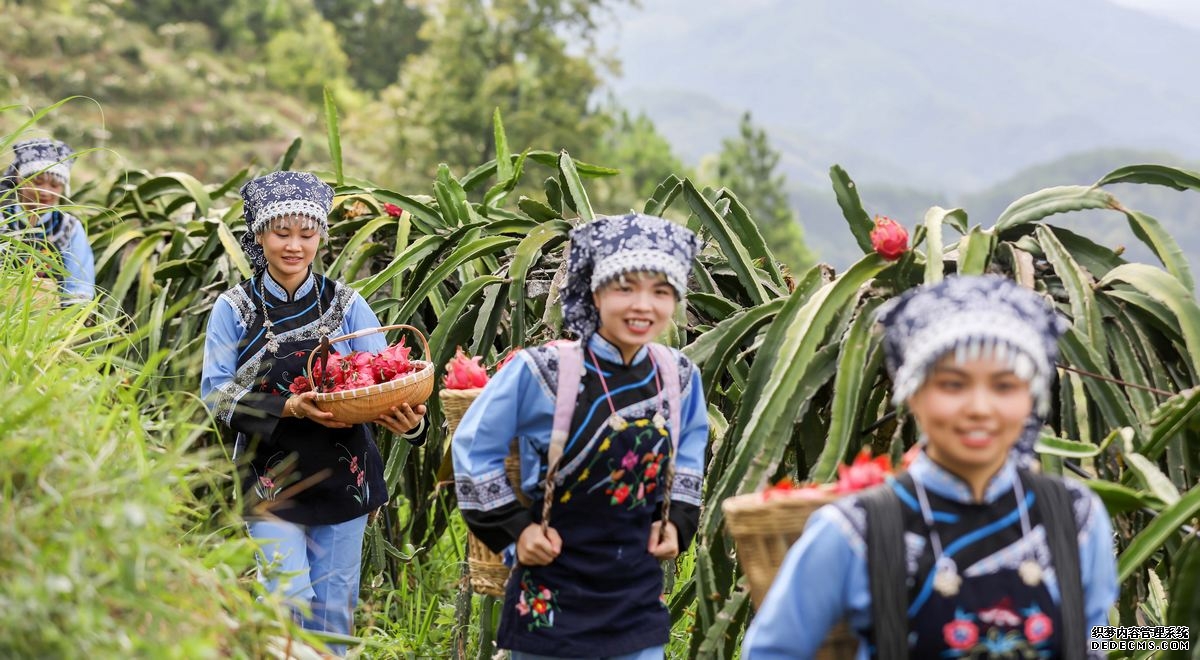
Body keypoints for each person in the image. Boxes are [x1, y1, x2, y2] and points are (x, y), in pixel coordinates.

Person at [743, 275, 1119, 659]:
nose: (979, 408)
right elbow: (772, 650)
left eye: (1004, 386)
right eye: (953, 385)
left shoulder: (1076, 517)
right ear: (913, 395)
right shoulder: (855, 531)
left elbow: (1096, 637)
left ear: (1030, 399)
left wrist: (1177, 636)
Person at [452, 213, 709, 659]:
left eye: (661, 291)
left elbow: (689, 452)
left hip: (635, 593)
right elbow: (474, 447)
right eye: (625, 288)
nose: (643, 306)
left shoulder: (679, 377)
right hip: (550, 585)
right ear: (595, 290)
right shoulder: (542, 371)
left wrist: (678, 521)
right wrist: (515, 531)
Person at [200, 171, 425, 655]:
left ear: (321, 235)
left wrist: (413, 422)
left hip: (346, 478)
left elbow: (389, 379)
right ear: (259, 235)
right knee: (286, 603)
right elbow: (215, 396)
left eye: (307, 233)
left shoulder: (346, 304)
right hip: (270, 482)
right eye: (282, 233)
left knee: (333, 613)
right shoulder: (234, 308)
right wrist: (289, 405)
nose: (295, 246)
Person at [0, 137, 95, 303]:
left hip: (49, 318)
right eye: (37, 181)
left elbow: (79, 286)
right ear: (19, 178)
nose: (45, 192)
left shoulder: (69, 228)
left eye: (55, 185)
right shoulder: (3, 218)